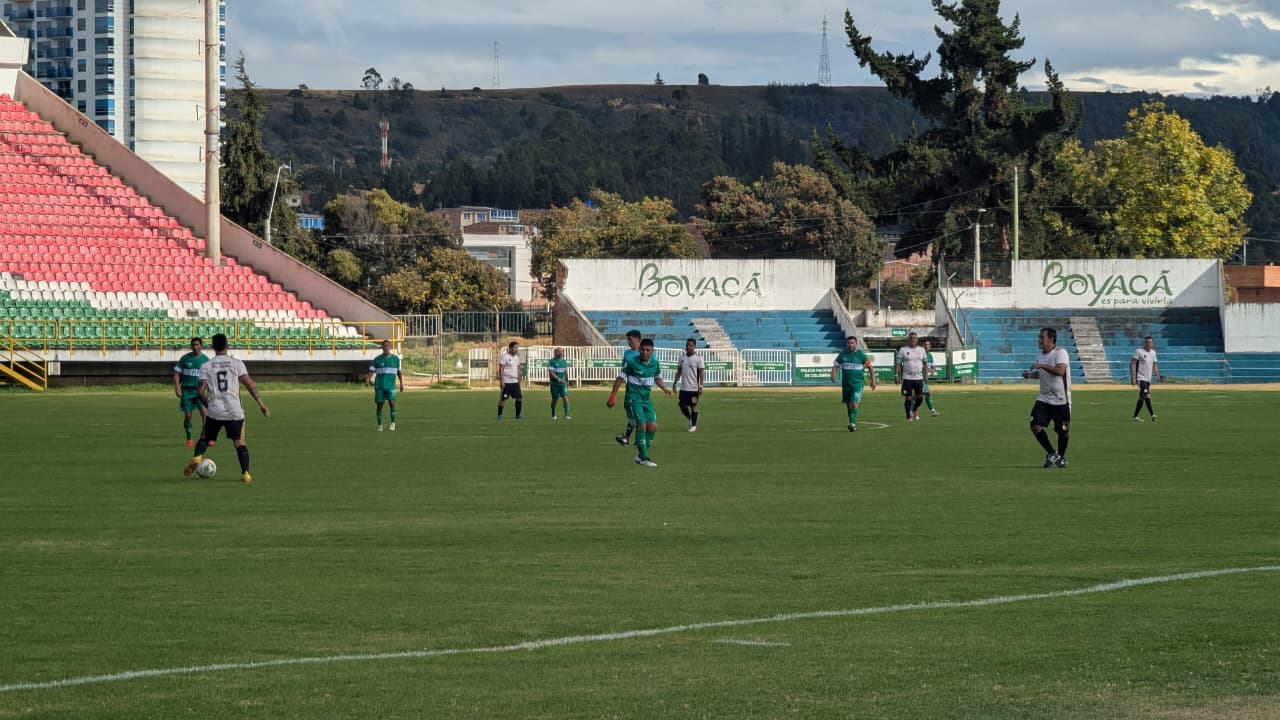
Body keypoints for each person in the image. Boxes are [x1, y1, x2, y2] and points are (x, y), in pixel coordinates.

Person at [182, 333, 270, 483]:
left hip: (215, 410)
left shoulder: (206, 365)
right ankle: (245, 473)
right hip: (234, 410)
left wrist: (209, 405)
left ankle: (197, 457)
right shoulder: (237, 363)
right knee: (239, 442)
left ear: (212, 347)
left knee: (205, 437)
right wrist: (261, 404)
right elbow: (250, 384)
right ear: (227, 346)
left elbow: (200, 391)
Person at [608, 338, 672, 466]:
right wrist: (613, 396)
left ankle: (640, 456)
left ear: (652, 351)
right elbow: (620, 378)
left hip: (646, 400)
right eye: (642, 349)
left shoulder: (654, 363)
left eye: (648, 350)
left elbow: (657, 378)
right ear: (639, 349)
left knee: (653, 427)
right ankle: (644, 458)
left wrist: (664, 388)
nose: (644, 352)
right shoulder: (632, 362)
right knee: (641, 425)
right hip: (633, 400)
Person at [1022, 327, 1071, 468]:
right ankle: (1051, 452)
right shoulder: (1040, 356)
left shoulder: (1060, 353)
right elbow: (1043, 374)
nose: (1039, 340)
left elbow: (1060, 371)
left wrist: (1042, 366)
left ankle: (1061, 457)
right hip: (1044, 399)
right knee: (1034, 425)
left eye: (1041, 337)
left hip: (1061, 401)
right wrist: (1031, 375)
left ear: (1051, 339)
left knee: (1064, 431)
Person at [831, 335, 876, 431]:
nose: (850, 345)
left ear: (856, 344)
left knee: (854, 402)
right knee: (848, 404)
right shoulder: (842, 355)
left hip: (858, 384)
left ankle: (853, 423)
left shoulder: (861, 355)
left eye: (852, 343)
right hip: (846, 384)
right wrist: (833, 374)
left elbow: (870, 368)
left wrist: (873, 381)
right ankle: (852, 422)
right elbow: (835, 366)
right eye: (848, 343)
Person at [172, 336, 210, 447]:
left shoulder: (206, 360)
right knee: (188, 416)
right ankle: (189, 437)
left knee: (205, 415)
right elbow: (177, 373)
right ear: (191, 346)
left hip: (200, 392)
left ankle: (205, 436)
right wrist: (177, 387)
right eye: (193, 345)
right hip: (187, 391)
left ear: (201, 346)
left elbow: (209, 377)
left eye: (197, 344)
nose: (195, 347)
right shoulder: (185, 359)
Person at [365, 339, 404, 431]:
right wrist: (368, 378)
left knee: (392, 403)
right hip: (379, 386)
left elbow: (399, 372)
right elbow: (371, 371)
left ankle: (393, 423)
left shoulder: (395, 359)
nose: (386, 347)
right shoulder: (377, 359)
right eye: (384, 346)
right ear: (382, 347)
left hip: (390, 385)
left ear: (390, 347)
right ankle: (380, 425)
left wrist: (401, 383)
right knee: (379, 405)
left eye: (388, 346)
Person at [614, 329, 643, 445]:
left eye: (630, 339)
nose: (628, 342)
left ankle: (633, 438)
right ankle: (628, 438)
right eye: (628, 339)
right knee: (631, 413)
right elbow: (623, 372)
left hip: (642, 390)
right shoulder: (627, 354)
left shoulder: (645, 353)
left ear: (638, 340)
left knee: (637, 414)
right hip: (631, 388)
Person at [673, 337, 705, 432]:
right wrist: (674, 383)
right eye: (687, 345)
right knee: (682, 406)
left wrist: (701, 386)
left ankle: (694, 426)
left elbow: (701, 373)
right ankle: (691, 418)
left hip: (694, 389)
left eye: (690, 345)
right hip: (683, 388)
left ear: (694, 346)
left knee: (693, 406)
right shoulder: (682, 357)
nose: (688, 347)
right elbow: (679, 371)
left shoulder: (698, 358)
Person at [896, 331, 928, 421]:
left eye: (914, 338)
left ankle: (913, 410)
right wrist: (896, 375)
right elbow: (898, 363)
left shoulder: (922, 350)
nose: (913, 340)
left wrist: (926, 375)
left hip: (919, 378)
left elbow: (925, 363)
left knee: (921, 397)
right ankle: (908, 416)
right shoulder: (903, 350)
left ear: (917, 340)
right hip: (907, 378)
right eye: (911, 338)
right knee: (908, 397)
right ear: (908, 339)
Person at [1130, 336, 1159, 422]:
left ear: (1152, 343)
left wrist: (1157, 374)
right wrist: (1133, 378)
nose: (1148, 344)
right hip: (1140, 378)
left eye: (1150, 342)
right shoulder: (1139, 351)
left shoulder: (1153, 353)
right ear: (1144, 343)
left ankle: (1135, 416)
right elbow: (1132, 364)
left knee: (1141, 397)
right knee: (1147, 395)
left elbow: (1154, 364)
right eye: (1147, 342)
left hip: (1148, 379)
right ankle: (1152, 415)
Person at [497, 340, 524, 419]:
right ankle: (500, 414)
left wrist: (519, 380)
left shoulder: (517, 357)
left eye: (517, 348)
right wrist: (502, 382)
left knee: (519, 398)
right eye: (515, 347)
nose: (517, 349)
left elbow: (518, 369)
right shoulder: (505, 357)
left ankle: (518, 415)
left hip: (515, 382)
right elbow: (501, 369)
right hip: (507, 382)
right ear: (510, 348)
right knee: (503, 398)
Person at [548, 347, 571, 420]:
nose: (561, 353)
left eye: (562, 352)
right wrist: (558, 379)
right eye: (559, 351)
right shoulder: (552, 361)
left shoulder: (564, 361)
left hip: (562, 383)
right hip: (554, 384)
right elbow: (551, 373)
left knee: (565, 397)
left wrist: (567, 380)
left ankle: (566, 415)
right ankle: (553, 413)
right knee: (555, 399)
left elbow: (565, 371)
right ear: (556, 352)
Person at [921, 338, 940, 417]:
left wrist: (932, 371)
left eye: (928, 345)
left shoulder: (930, 355)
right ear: (922, 346)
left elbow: (933, 366)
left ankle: (910, 410)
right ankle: (932, 411)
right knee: (927, 393)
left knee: (918, 396)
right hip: (919, 378)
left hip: (924, 379)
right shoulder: (920, 354)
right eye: (925, 344)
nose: (926, 346)